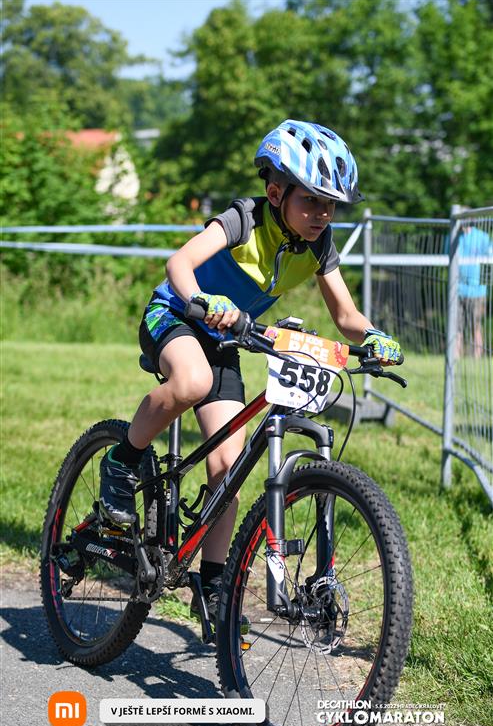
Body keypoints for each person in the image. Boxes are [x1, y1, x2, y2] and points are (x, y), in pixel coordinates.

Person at [98, 119, 402, 624]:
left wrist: (373, 336)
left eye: (331, 205)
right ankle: (122, 460)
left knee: (228, 471)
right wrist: (201, 298)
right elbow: (179, 264)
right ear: (276, 193)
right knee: (192, 381)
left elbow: (346, 315)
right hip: (175, 316)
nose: (323, 215)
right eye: (312, 201)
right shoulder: (244, 219)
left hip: (226, 339)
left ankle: (213, 584)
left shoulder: (319, 244)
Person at [455, 216, 492, 358]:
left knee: (475, 326)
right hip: (457, 290)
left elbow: (489, 259)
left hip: (477, 291)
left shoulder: (482, 237)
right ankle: (455, 356)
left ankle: (477, 356)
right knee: (456, 327)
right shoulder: (454, 237)